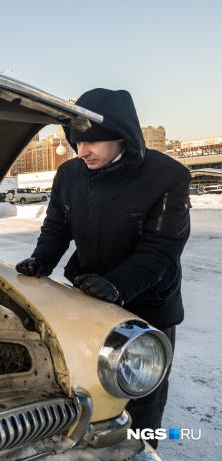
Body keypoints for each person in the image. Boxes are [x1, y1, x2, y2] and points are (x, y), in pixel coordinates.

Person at [15, 88, 191, 449]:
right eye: (77, 141)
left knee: (141, 391)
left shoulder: (167, 176)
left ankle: (142, 449)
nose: (83, 151)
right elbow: (57, 228)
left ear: (122, 135)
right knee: (88, 382)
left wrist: (118, 285)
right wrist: (42, 260)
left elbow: (162, 248)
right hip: (90, 299)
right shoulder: (69, 174)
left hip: (147, 305)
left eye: (93, 141)